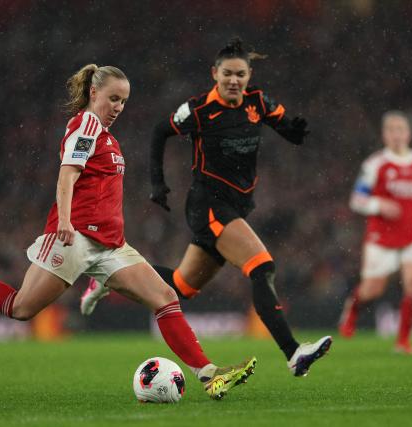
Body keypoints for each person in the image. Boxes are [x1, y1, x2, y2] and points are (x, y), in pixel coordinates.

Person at [0, 63, 256, 400]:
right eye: (113, 98)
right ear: (93, 92)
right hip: (76, 238)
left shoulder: (108, 139)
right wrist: (65, 223)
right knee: (21, 307)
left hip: (111, 245)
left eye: (124, 101)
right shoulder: (86, 124)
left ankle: (209, 375)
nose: (118, 107)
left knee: (165, 297)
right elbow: (67, 174)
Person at [80, 38, 332, 377]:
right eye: (227, 73)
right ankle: (293, 352)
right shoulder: (198, 109)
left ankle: (110, 278)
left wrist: (293, 132)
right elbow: (159, 131)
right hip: (209, 205)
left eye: (240, 74)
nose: (234, 80)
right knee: (262, 266)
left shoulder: (257, 101)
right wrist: (158, 182)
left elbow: (281, 121)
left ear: (249, 75)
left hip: (235, 207)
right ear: (215, 74)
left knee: (182, 287)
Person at [338, 110, 412, 354]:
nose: (397, 134)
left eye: (401, 129)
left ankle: (403, 341)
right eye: (392, 130)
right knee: (372, 290)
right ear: (384, 135)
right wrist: (379, 205)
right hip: (382, 238)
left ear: (409, 134)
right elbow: (356, 200)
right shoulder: (374, 164)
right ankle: (353, 307)